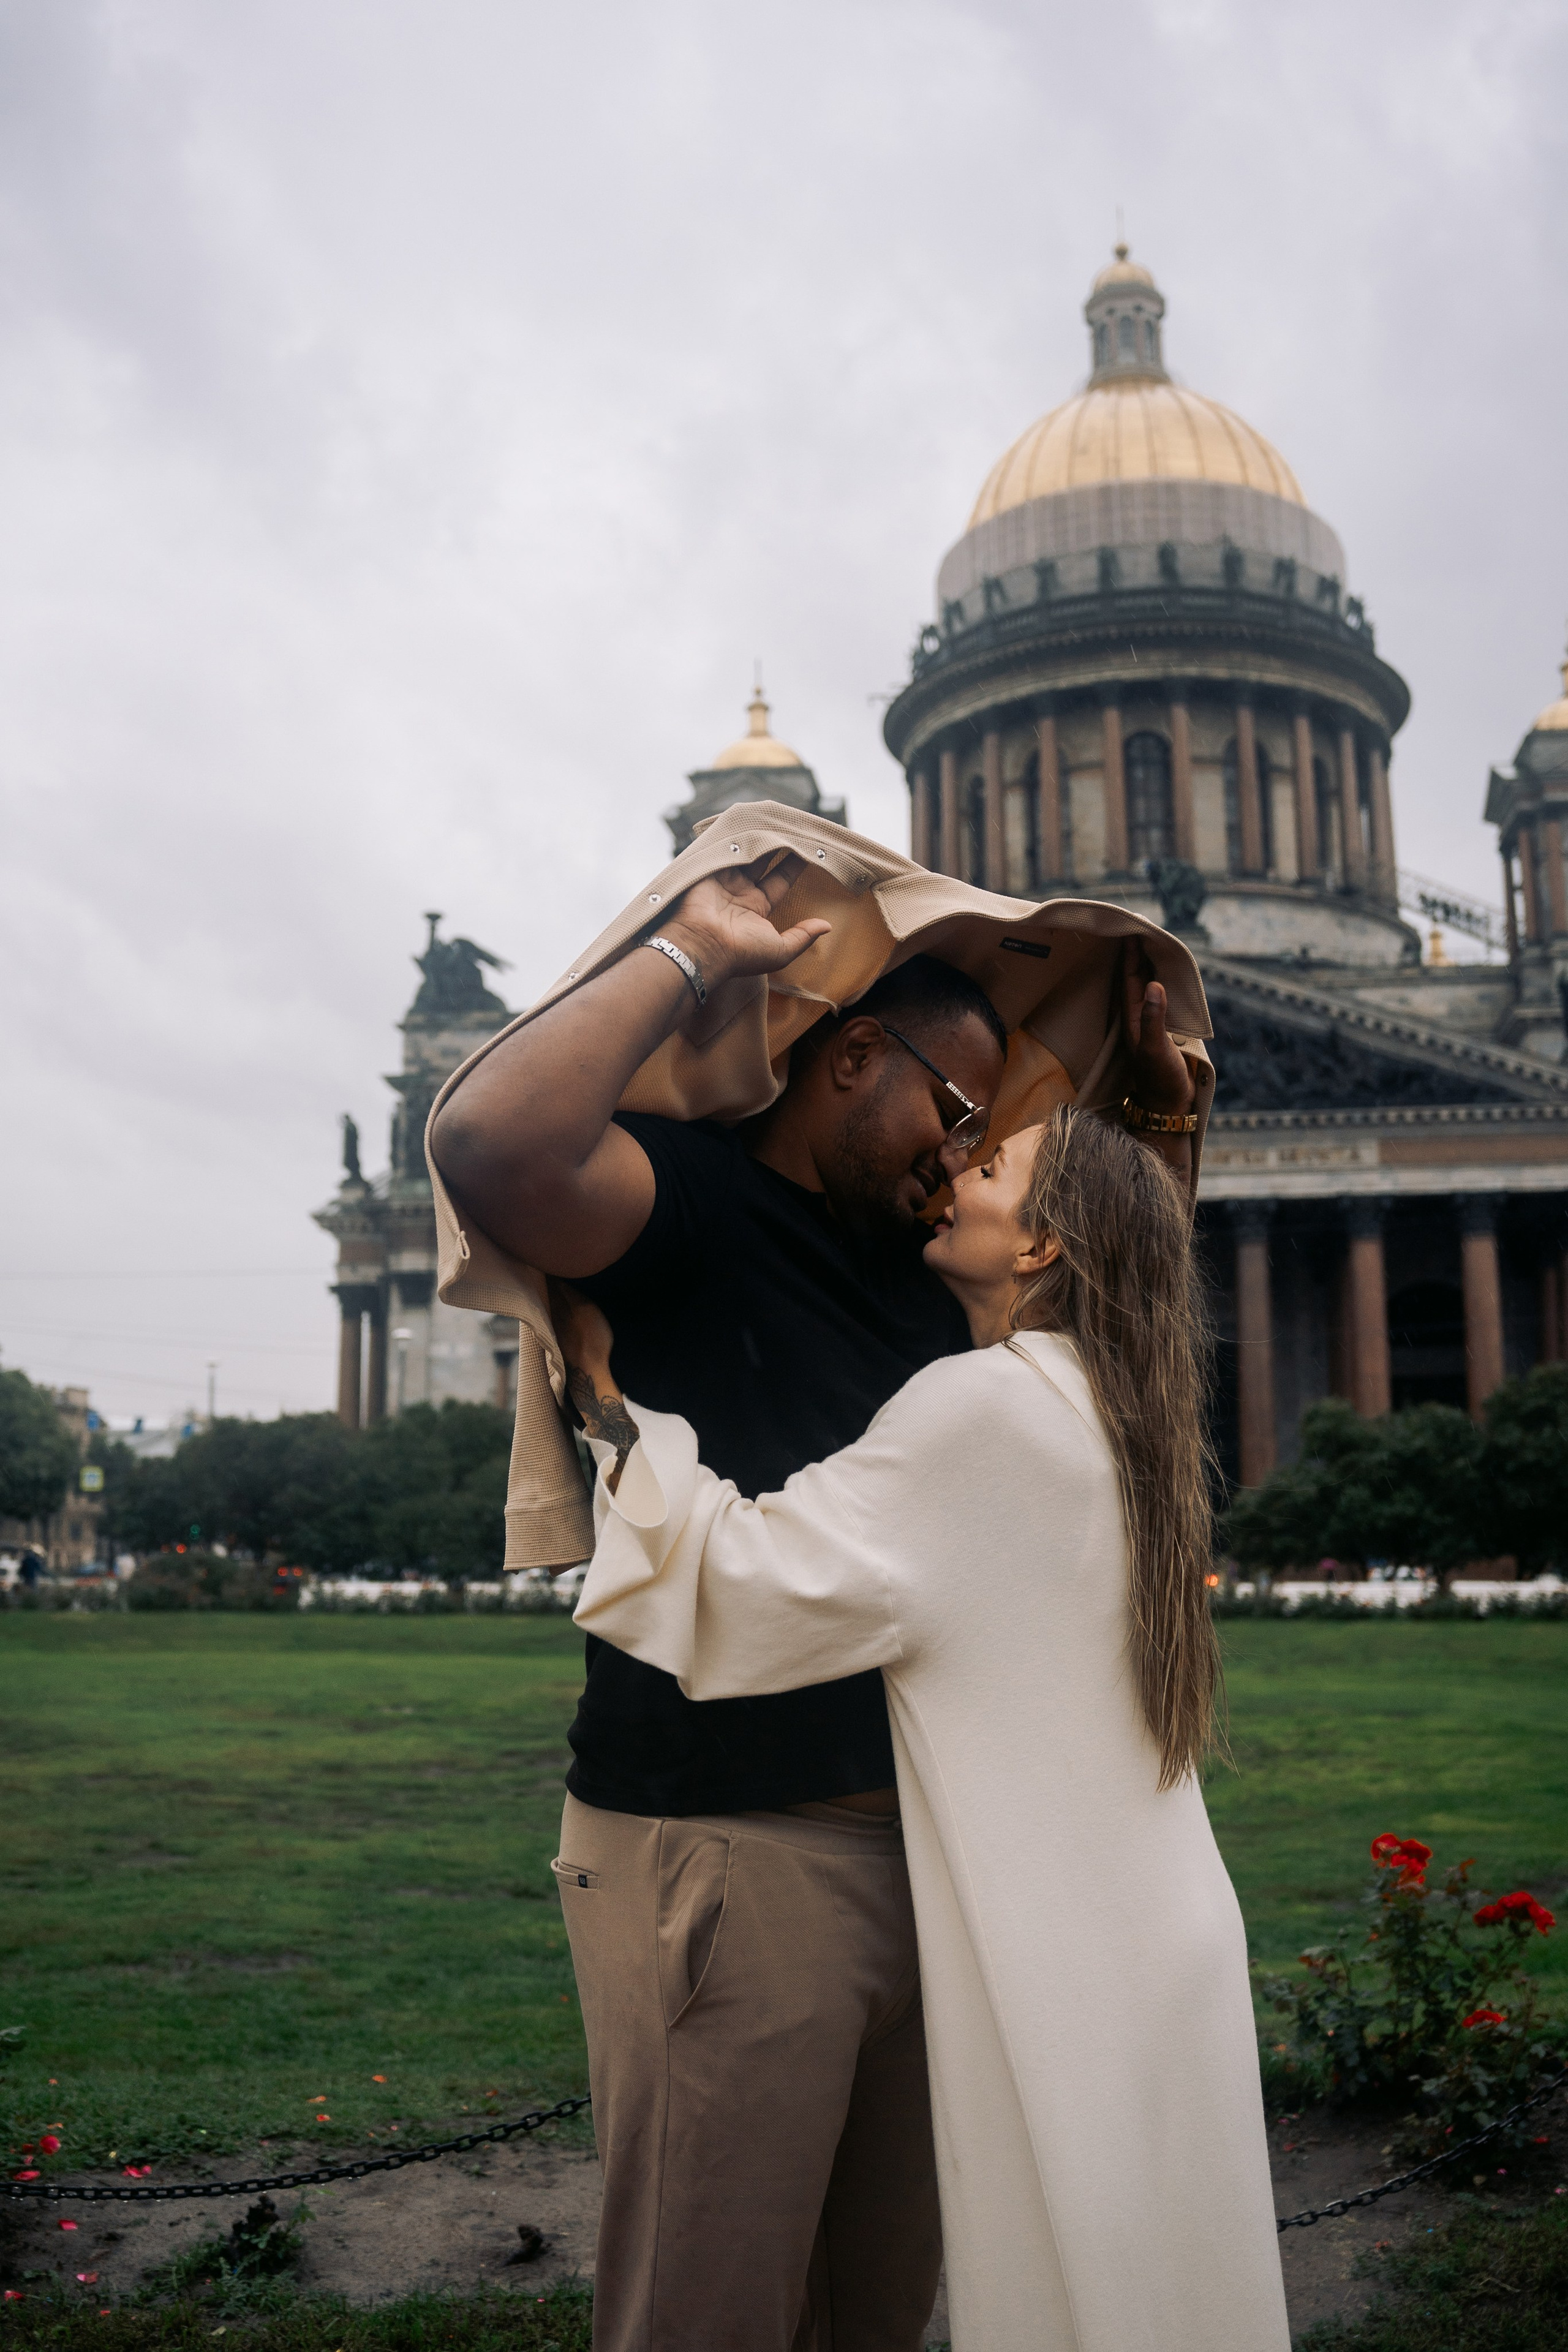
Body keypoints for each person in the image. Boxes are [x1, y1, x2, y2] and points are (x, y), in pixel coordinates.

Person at [429, 855, 1197, 2352]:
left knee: (876, 2310)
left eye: (985, 1143)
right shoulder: (693, 1209)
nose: (962, 1156)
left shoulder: (926, 1277)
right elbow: (490, 1143)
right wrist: (686, 952)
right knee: (707, 2309)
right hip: (735, 1845)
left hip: (925, 1859)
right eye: (952, 1114)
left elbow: (1113, 1303)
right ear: (853, 1053)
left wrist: (1159, 1118)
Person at [561, 1106, 1291, 2352]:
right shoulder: (1125, 1413)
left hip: (1067, 1947)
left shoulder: (982, 1410)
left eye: (990, 1162)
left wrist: (608, 1404)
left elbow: (746, 1584)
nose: (952, 1166)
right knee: (1146, 2296)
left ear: (1040, 1246)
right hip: (1149, 1936)